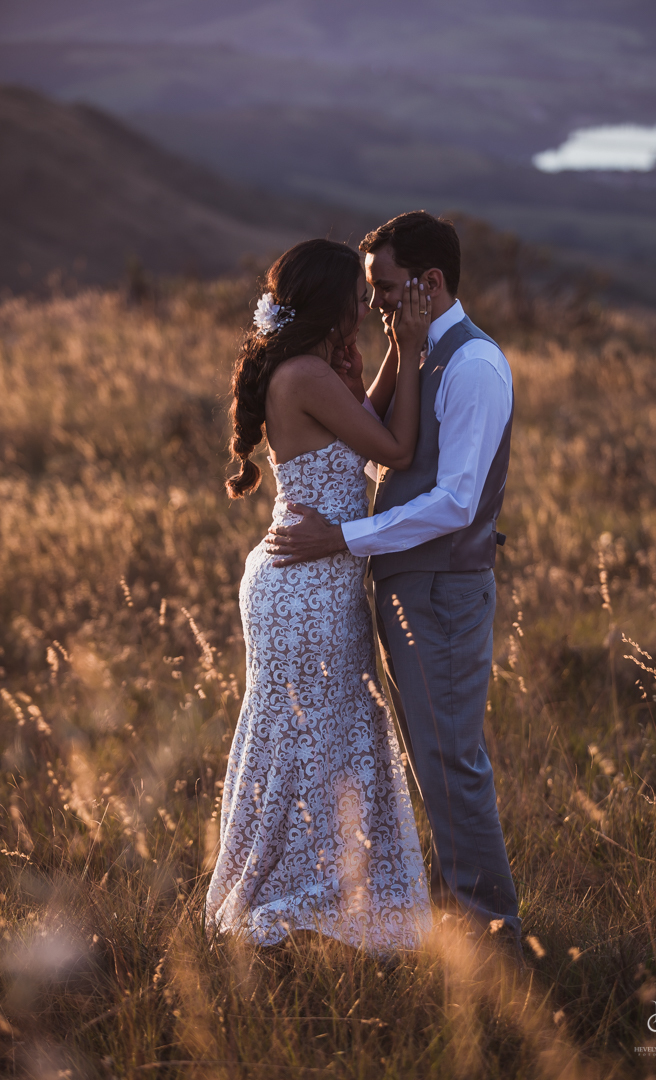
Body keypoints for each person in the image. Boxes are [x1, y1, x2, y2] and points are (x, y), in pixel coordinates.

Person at [267, 212, 522, 948]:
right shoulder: (425, 356)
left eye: (385, 287)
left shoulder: (473, 366)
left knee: (452, 758)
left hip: (443, 591)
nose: (374, 303)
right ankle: (453, 908)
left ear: (431, 282)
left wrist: (342, 536)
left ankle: (493, 927)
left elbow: (455, 502)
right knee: (426, 756)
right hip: (407, 586)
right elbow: (387, 459)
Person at [205, 238, 433, 952]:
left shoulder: (302, 371)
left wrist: (394, 352)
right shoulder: (304, 374)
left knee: (318, 737)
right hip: (306, 587)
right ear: (332, 305)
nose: (367, 310)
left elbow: (356, 430)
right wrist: (418, 353)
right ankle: (292, 893)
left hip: (307, 579)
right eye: (357, 302)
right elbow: (391, 450)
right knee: (313, 738)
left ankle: (310, 882)